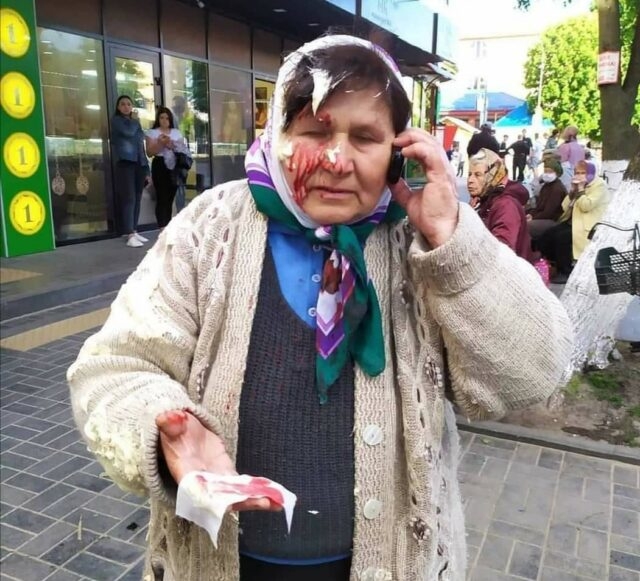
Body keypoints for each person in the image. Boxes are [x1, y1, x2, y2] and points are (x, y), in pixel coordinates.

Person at [68, 35, 572, 581]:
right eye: (313, 131)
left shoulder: (424, 242)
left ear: (399, 151)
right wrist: (164, 429)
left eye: (365, 137)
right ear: (277, 135)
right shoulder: (209, 227)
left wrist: (454, 245)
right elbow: (116, 366)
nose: (336, 160)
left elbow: (534, 372)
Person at [538, 160, 608, 284]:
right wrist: (573, 191)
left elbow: (586, 206)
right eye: (577, 173)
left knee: (562, 238)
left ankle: (565, 271)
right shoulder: (580, 186)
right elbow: (565, 206)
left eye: (583, 173)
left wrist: (580, 190)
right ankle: (553, 265)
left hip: (587, 225)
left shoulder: (599, 186)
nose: (579, 176)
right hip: (573, 222)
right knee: (547, 235)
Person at [467, 148, 532, 261]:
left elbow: (501, 251)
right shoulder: (482, 199)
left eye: (478, 175)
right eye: (469, 174)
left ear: (493, 175)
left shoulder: (505, 205)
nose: (470, 180)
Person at [111, 95, 150, 248]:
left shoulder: (135, 123)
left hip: (139, 163)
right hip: (125, 163)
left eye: (129, 104)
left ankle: (134, 230)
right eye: (123, 104)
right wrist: (135, 121)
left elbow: (141, 145)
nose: (126, 107)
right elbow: (128, 132)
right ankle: (129, 234)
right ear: (118, 107)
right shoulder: (117, 121)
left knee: (138, 197)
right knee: (129, 198)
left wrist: (147, 168)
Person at [145, 107, 188, 229]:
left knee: (170, 197)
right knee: (162, 197)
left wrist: (171, 145)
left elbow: (182, 149)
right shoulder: (152, 133)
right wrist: (160, 143)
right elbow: (149, 152)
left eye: (167, 118)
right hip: (160, 164)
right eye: (162, 118)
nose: (164, 120)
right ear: (158, 119)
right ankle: (162, 227)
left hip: (174, 165)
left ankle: (167, 226)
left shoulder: (176, 132)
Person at [526, 157, 567, 242]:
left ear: (557, 173)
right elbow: (539, 206)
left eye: (550, 171)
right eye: (545, 171)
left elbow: (548, 212)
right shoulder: (546, 186)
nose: (547, 174)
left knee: (526, 226)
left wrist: (533, 217)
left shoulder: (557, 189)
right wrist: (531, 214)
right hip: (542, 217)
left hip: (553, 220)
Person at [557, 125, 585, 190]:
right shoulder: (581, 147)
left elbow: (560, 161)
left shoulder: (565, 146)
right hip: (579, 174)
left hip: (567, 175)